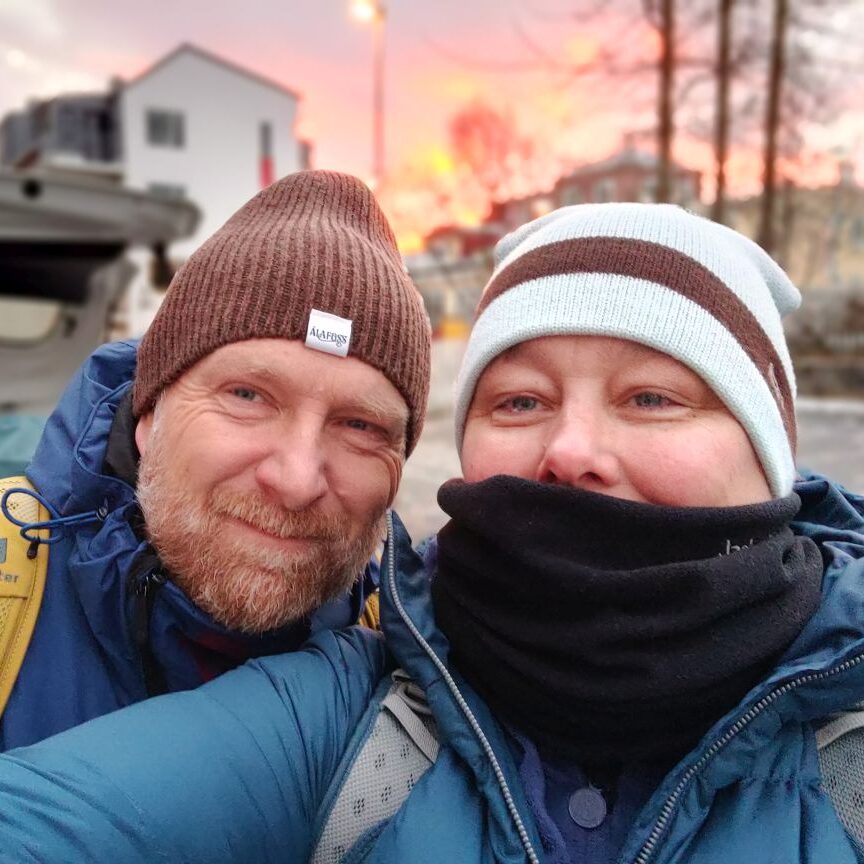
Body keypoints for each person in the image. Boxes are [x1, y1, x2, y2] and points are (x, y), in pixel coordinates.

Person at [1, 202, 863, 864]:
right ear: (146, 413)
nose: (571, 451)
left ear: (770, 458)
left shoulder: (382, 634)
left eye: (653, 397)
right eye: (521, 400)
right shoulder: (366, 702)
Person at [0, 169, 430, 750]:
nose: (296, 479)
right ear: (149, 413)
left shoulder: (414, 659)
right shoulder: (11, 590)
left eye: (361, 426)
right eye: (247, 396)